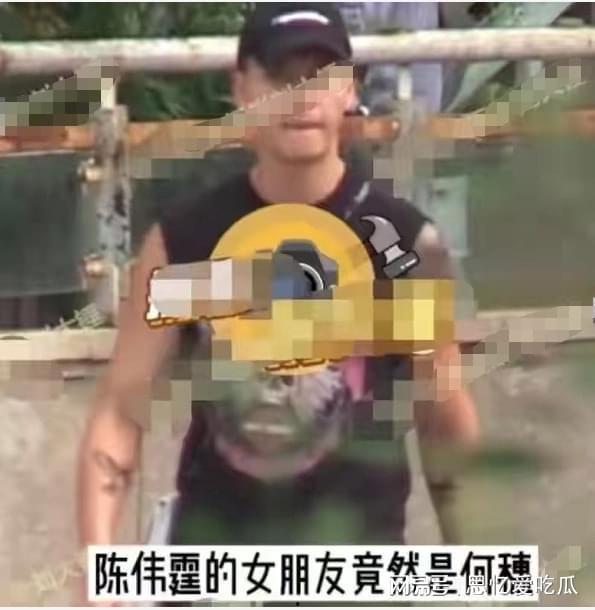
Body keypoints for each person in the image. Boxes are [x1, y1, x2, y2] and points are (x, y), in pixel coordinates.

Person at [76, 2, 479, 603]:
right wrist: (97, 572)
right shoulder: (191, 242)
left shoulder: (399, 245)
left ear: (350, 89)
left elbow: (445, 426)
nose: (302, 96)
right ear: (242, 87)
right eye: (280, 75)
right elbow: (120, 411)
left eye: (321, 75)